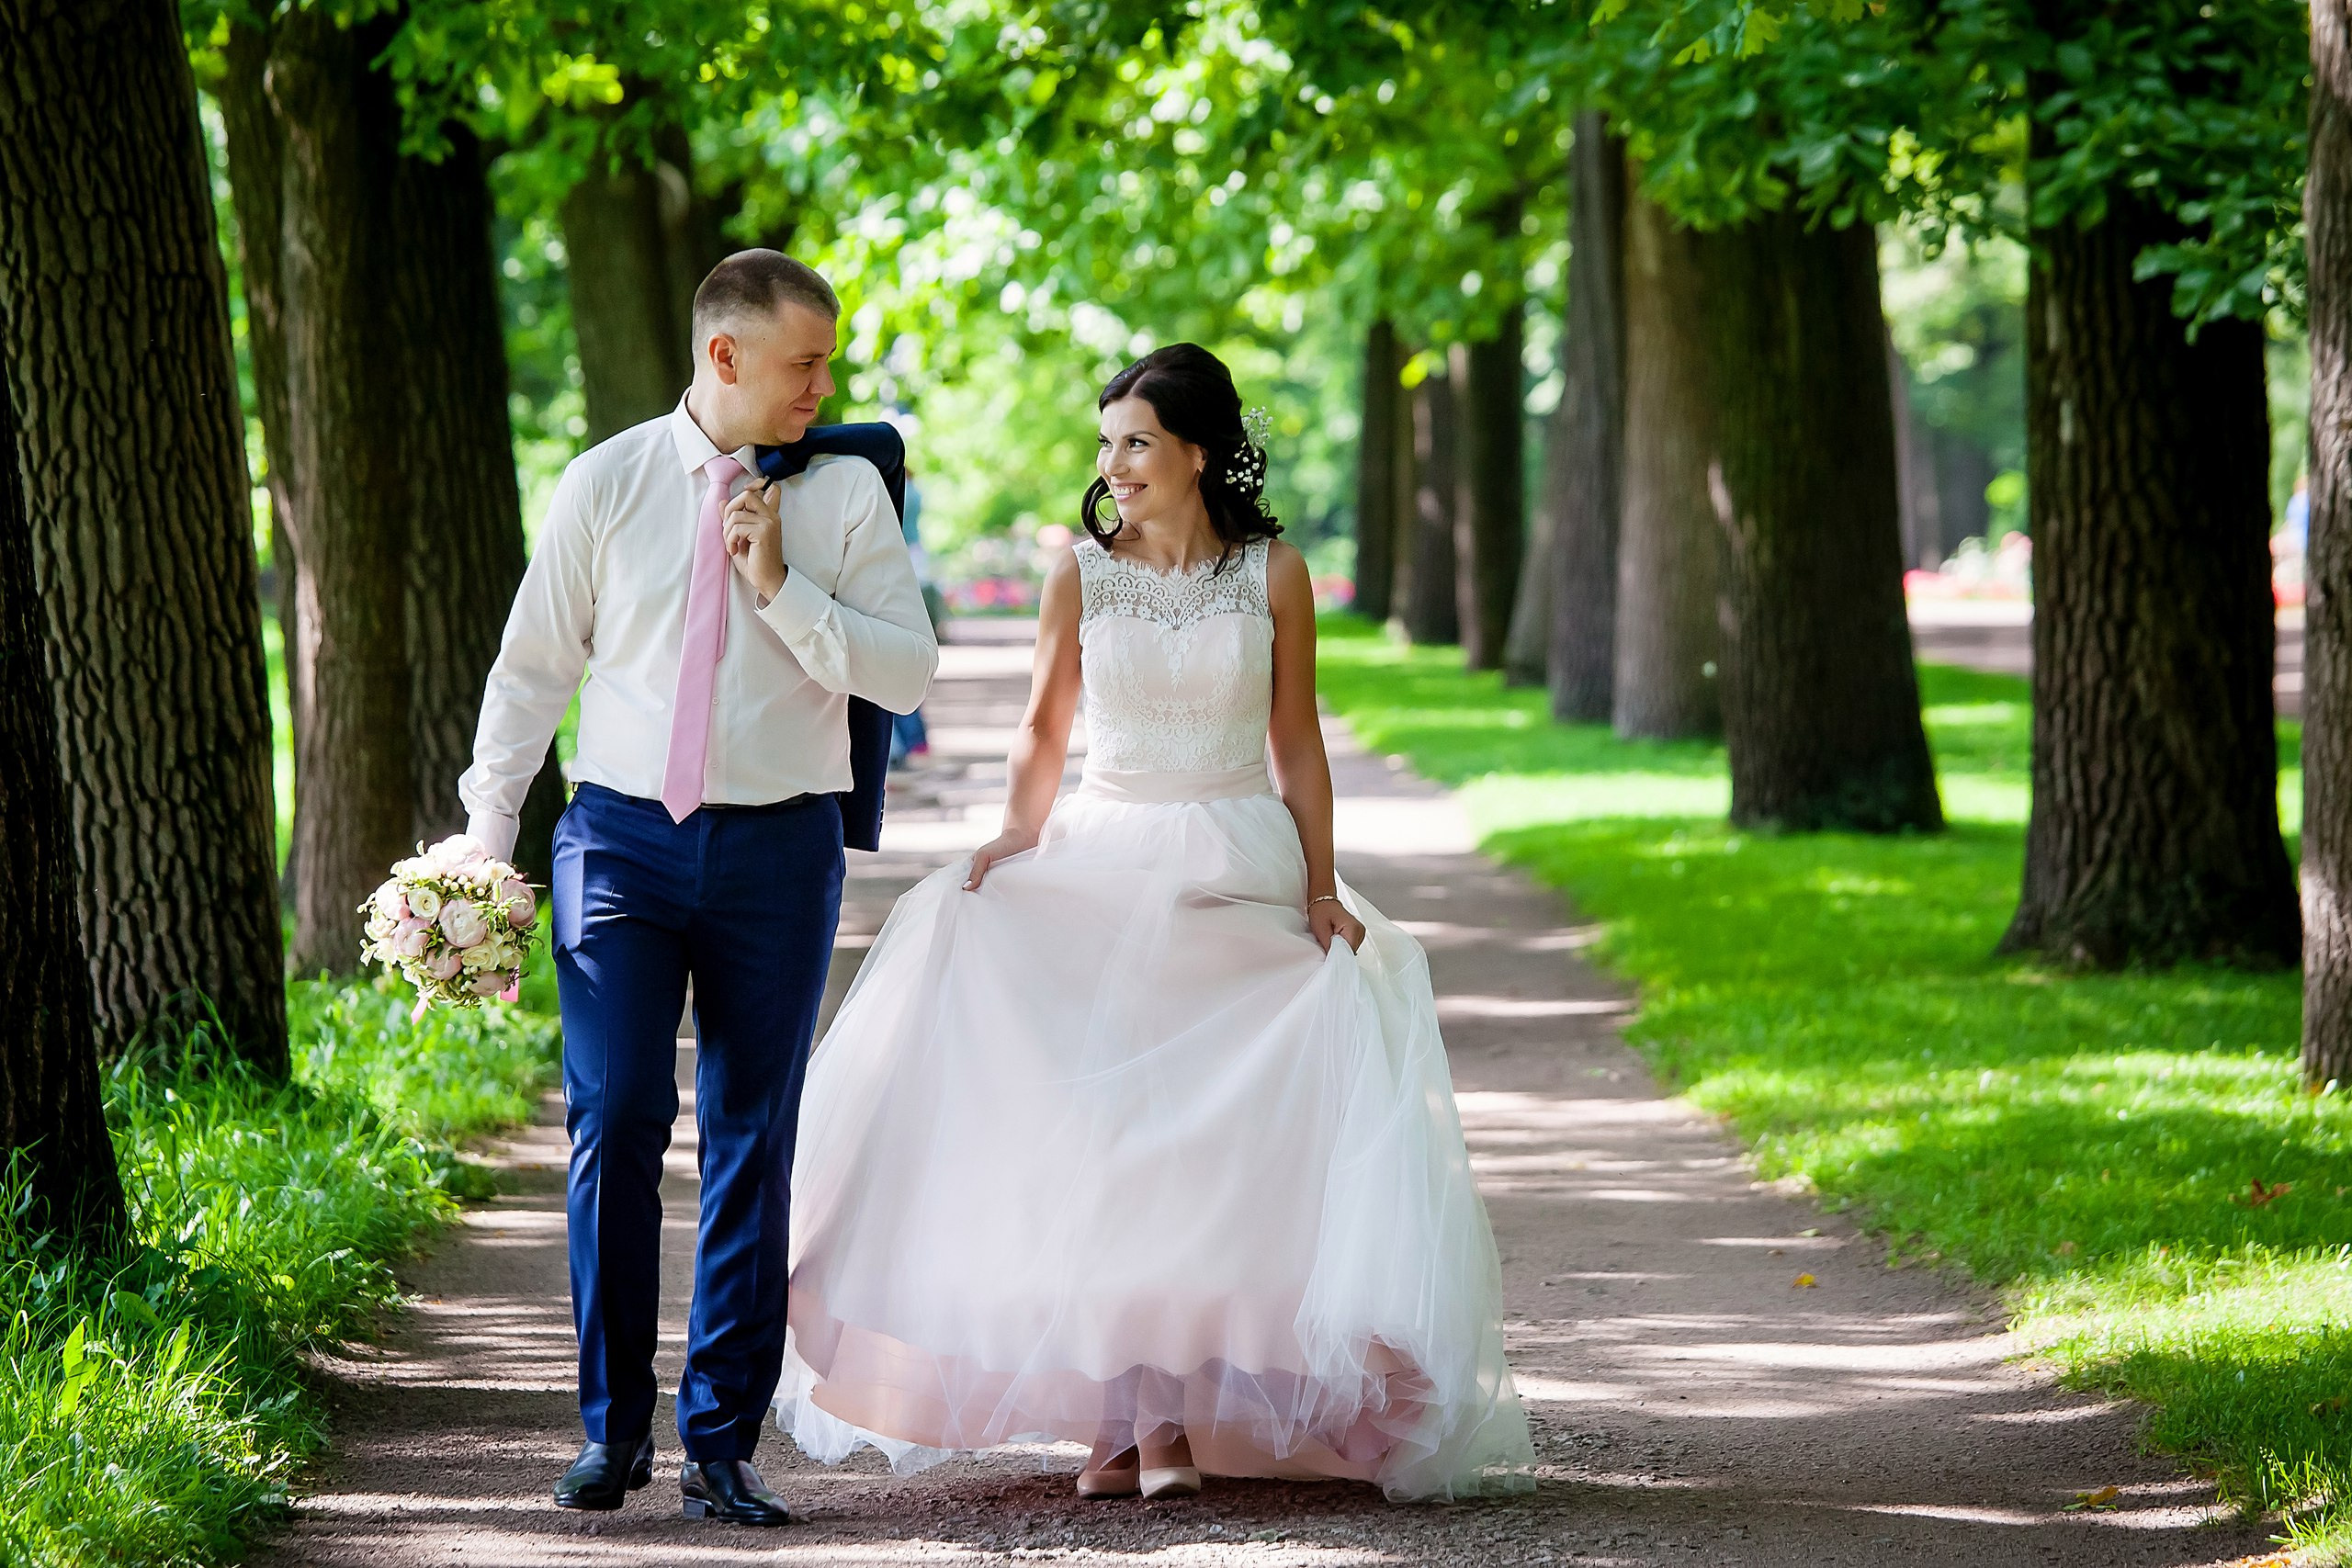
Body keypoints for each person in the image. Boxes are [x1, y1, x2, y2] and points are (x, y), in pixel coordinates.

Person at [775, 344, 1535, 1501]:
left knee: (1210, 1148)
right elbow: (1042, 727)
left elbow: (1296, 744)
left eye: (1135, 442)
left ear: (1197, 451)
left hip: (1236, 852)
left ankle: (1163, 1420)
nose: (1113, 465)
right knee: (1108, 1139)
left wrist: (1322, 889)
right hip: (1107, 849)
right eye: (1105, 444)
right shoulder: (1081, 573)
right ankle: (1125, 1426)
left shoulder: (1275, 574)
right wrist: (1014, 838)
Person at [455, 250, 937, 1525]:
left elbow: (907, 671)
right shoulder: (605, 482)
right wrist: (484, 836)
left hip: (781, 850)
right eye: (805, 363)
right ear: (724, 356)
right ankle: (607, 1431)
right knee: (612, 1118)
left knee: (750, 1136)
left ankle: (720, 1439)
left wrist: (784, 587)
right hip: (618, 840)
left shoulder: (842, 495)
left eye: (828, 361)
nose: (823, 385)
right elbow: (530, 668)